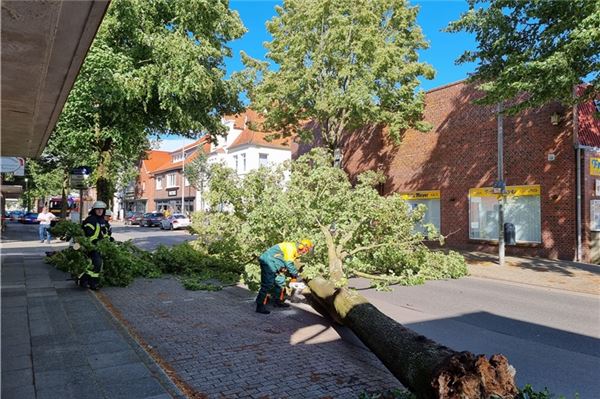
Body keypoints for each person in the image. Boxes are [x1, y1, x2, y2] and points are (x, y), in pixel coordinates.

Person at [255, 239, 314, 314]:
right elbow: (288, 263)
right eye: (306, 250)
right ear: (303, 247)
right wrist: (295, 275)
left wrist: (291, 273)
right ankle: (259, 306)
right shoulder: (290, 248)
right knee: (267, 284)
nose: (305, 252)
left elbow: (285, 260)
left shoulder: (295, 250)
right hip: (268, 262)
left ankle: (278, 302)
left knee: (281, 281)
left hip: (275, 263)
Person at [79, 201, 110, 290]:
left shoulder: (102, 220)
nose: (100, 211)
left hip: (99, 245)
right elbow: (88, 233)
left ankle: (83, 280)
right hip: (90, 246)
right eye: (98, 209)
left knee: (92, 265)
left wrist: (109, 238)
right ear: (94, 210)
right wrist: (94, 241)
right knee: (97, 263)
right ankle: (93, 284)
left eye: (101, 209)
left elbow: (104, 232)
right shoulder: (90, 220)